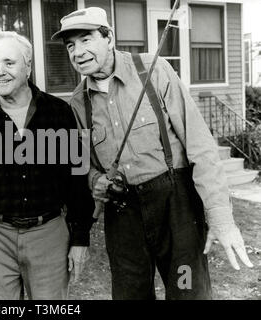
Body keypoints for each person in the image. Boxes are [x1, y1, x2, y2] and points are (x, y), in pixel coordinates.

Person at [52, 7, 253, 300]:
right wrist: (95, 179)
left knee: (186, 290)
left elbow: (201, 147)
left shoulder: (152, 69)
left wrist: (221, 217)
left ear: (108, 37)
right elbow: (84, 168)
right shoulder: (77, 102)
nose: (77, 52)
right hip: (123, 215)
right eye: (70, 45)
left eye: (85, 40)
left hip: (176, 207)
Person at [0, 31, 94, 300]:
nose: (0, 72)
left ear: (28, 66)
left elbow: (77, 182)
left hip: (49, 235)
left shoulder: (60, 113)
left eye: (9, 63)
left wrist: (80, 238)